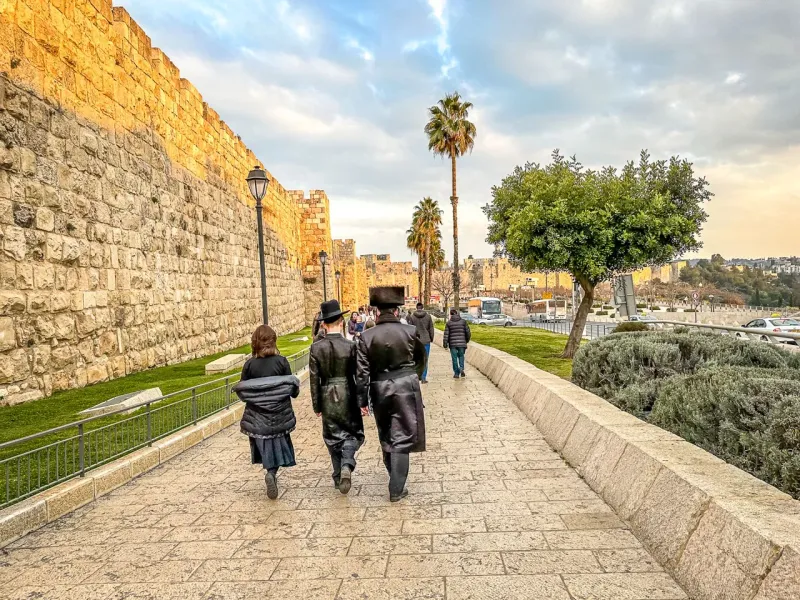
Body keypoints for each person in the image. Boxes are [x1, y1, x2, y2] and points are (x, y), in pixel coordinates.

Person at [356, 286, 426, 502]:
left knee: (387, 435)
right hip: (406, 387)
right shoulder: (410, 332)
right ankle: (396, 486)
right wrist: (410, 376)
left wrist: (362, 399)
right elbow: (421, 360)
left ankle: (394, 478)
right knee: (402, 436)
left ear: (377, 312)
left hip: (380, 389)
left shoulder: (365, 337)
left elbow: (361, 373)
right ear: (397, 311)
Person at [234, 325, 300, 499]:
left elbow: (243, 391)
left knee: (264, 445)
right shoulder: (282, 362)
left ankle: (270, 471)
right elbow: (292, 388)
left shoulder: (249, 365)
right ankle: (272, 472)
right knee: (278, 444)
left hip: (257, 417)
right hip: (279, 415)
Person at [310, 300, 365, 494]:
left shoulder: (316, 348)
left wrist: (316, 405)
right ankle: (346, 465)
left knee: (332, 436)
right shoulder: (351, 346)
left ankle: (337, 475)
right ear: (341, 322)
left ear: (324, 324)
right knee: (353, 432)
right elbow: (359, 375)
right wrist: (362, 401)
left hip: (326, 394)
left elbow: (313, 379)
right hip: (347, 392)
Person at [407, 302, 435, 384]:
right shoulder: (428, 317)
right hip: (426, 340)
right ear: (422, 308)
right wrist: (431, 338)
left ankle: (417, 376)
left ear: (416, 308)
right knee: (425, 359)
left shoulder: (412, 317)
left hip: (416, 341)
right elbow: (431, 329)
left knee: (416, 359)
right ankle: (423, 377)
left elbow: (410, 329)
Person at [443, 308, 471, 378]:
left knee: (454, 358)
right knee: (461, 356)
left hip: (452, 344)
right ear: (457, 313)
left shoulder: (449, 323)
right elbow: (468, 332)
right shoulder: (463, 322)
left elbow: (446, 335)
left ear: (451, 314)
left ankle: (456, 373)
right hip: (462, 343)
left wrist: (445, 344)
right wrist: (466, 340)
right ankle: (461, 368)